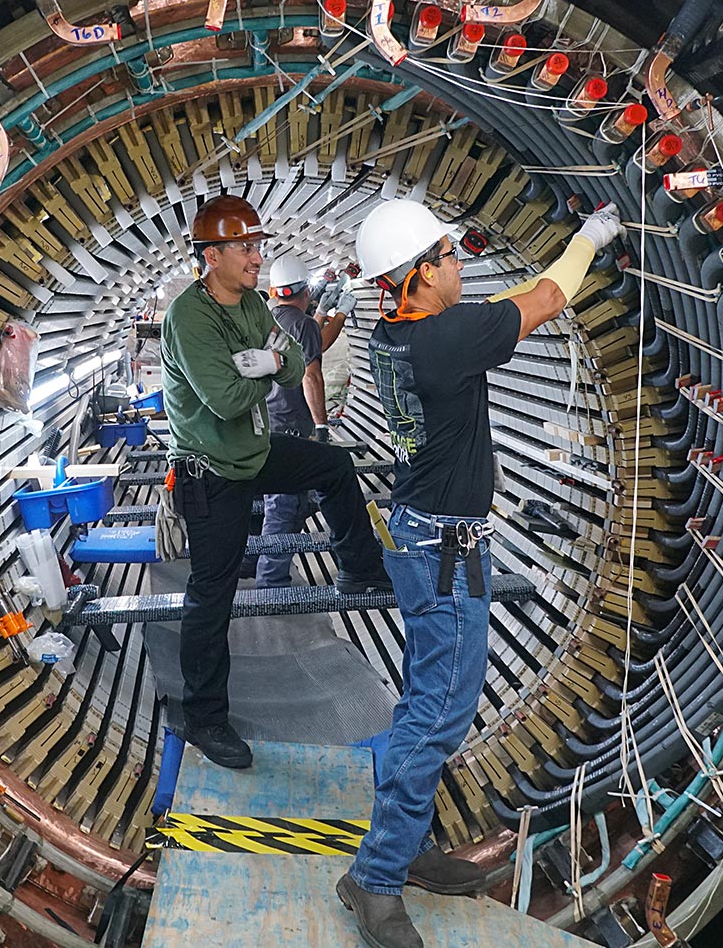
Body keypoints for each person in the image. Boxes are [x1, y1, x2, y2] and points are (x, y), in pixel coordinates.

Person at [334, 198, 623, 947]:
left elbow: (495, 305)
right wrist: (593, 234)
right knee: (441, 710)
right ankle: (375, 877)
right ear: (421, 275)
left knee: (422, 695)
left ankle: (409, 847)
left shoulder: (394, 334)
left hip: (417, 529)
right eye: (450, 255)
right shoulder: (449, 340)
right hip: (448, 544)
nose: (461, 264)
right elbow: (549, 296)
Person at [161, 195, 393, 770]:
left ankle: (362, 571)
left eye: (258, 246)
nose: (257, 257)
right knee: (211, 596)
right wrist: (264, 368)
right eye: (245, 247)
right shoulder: (189, 318)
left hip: (255, 452)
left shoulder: (255, 305)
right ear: (211, 256)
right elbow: (225, 398)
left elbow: (290, 362)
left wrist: (267, 363)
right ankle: (205, 718)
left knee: (335, 466)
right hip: (212, 472)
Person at [254, 254, 355, 588]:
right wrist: (322, 426)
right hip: (293, 428)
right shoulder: (304, 324)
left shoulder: (265, 320)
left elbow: (314, 342)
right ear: (305, 293)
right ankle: (271, 581)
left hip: (265, 422)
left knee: (291, 501)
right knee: (283, 506)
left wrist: (330, 313)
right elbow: (313, 372)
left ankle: (263, 566)